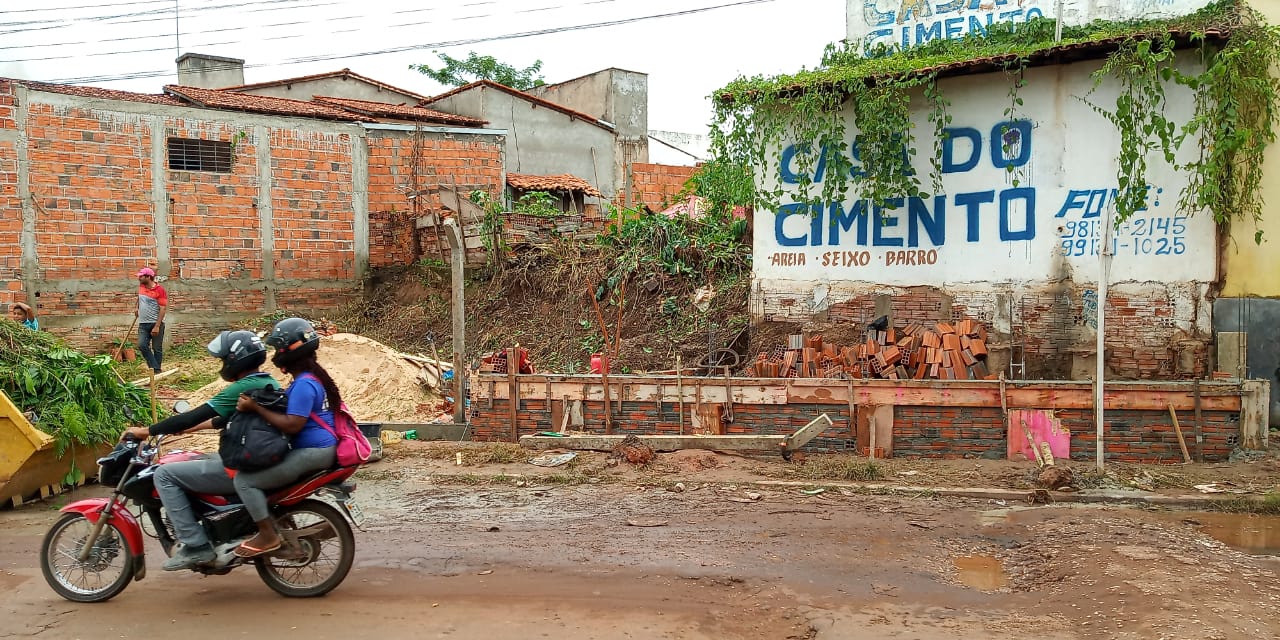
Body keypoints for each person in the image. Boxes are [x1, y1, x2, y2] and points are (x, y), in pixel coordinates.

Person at [123, 330, 279, 571]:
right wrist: (190, 430)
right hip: (257, 459)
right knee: (197, 461)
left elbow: (195, 414)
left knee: (164, 475)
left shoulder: (240, 388)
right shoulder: (266, 381)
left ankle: (196, 545)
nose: (223, 364)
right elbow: (220, 420)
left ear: (236, 359)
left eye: (224, 359)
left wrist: (147, 430)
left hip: (243, 465)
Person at [231, 317, 339, 558]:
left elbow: (293, 425)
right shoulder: (309, 379)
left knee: (244, 481)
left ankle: (268, 536)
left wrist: (256, 409)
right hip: (319, 450)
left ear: (288, 352)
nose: (275, 355)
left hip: (313, 453)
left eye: (277, 349)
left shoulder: (303, 384)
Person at [134, 267, 167, 374]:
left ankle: (156, 372)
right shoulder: (141, 287)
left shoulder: (160, 290)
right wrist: (136, 307)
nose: (139, 278)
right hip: (143, 324)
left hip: (155, 323)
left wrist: (157, 326)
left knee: (157, 348)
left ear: (148, 277)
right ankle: (156, 368)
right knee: (142, 345)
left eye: (141, 276)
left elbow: (163, 308)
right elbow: (139, 298)